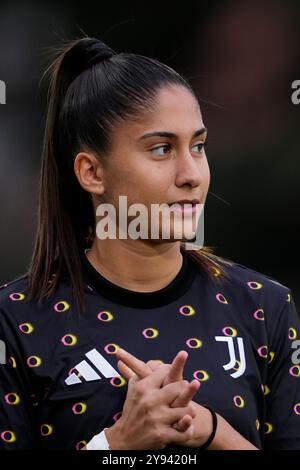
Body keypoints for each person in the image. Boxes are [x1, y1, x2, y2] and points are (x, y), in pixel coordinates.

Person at [0, 36, 300, 451]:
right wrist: (117, 444)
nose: (191, 173)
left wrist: (213, 431)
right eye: (161, 149)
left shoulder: (265, 307)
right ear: (91, 173)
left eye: (198, 146)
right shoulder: (15, 321)